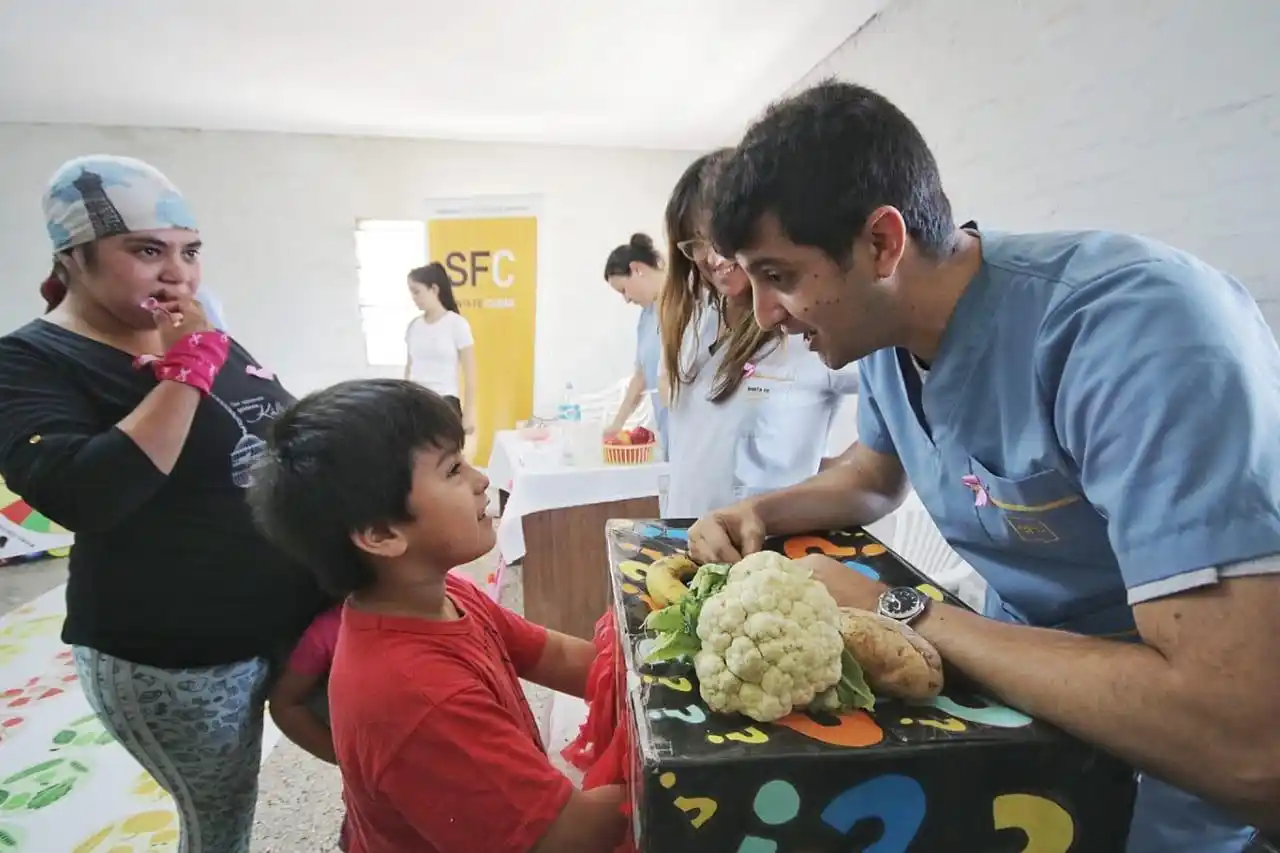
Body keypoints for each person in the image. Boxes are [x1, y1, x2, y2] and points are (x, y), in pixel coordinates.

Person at [689, 80, 1280, 852]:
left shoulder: (1139, 334)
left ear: (881, 243)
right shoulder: (884, 331)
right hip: (1015, 711)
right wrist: (762, 511)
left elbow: (1244, 738)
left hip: (1164, 766)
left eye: (781, 276)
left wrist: (900, 607)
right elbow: (872, 473)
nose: (762, 314)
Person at [0, 154, 330, 852]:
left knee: (390, 754)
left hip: (295, 616)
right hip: (177, 653)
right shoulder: (30, 360)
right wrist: (188, 368)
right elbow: (90, 494)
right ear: (74, 256)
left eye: (190, 251)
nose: (177, 271)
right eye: (146, 250)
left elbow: (279, 428)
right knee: (222, 825)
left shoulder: (196, 328)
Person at [247, 378, 628, 853]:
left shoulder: (446, 595)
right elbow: (565, 836)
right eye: (452, 470)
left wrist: (643, 679)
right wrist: (671, 769)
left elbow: (549, 653)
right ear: (382, 534)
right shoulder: (416, 694)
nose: (481, 479)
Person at [659, 149, 859, 518]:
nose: (713, 258)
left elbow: (906, 400)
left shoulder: (808, 325)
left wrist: (853, 476)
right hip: (686, 531)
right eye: (694, 245)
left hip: (766, 550)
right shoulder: (696, 323)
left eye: (718, 238)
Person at [602, 233, 667, 453]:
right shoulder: (647, 317)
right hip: (669, 429)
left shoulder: (689, 305)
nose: (627, 299)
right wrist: (617, 424)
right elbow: (641, 376)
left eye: (624, 290)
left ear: (637, 269)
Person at [404, 262, 477, 436]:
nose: (413, 297)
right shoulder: (414, 326)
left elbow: (471, 375)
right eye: (411, 292)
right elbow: (409, 368)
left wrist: (469, 414)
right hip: (416, 404)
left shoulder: (456, 324)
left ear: (434, 289)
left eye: (417, 291)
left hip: (445, 403)